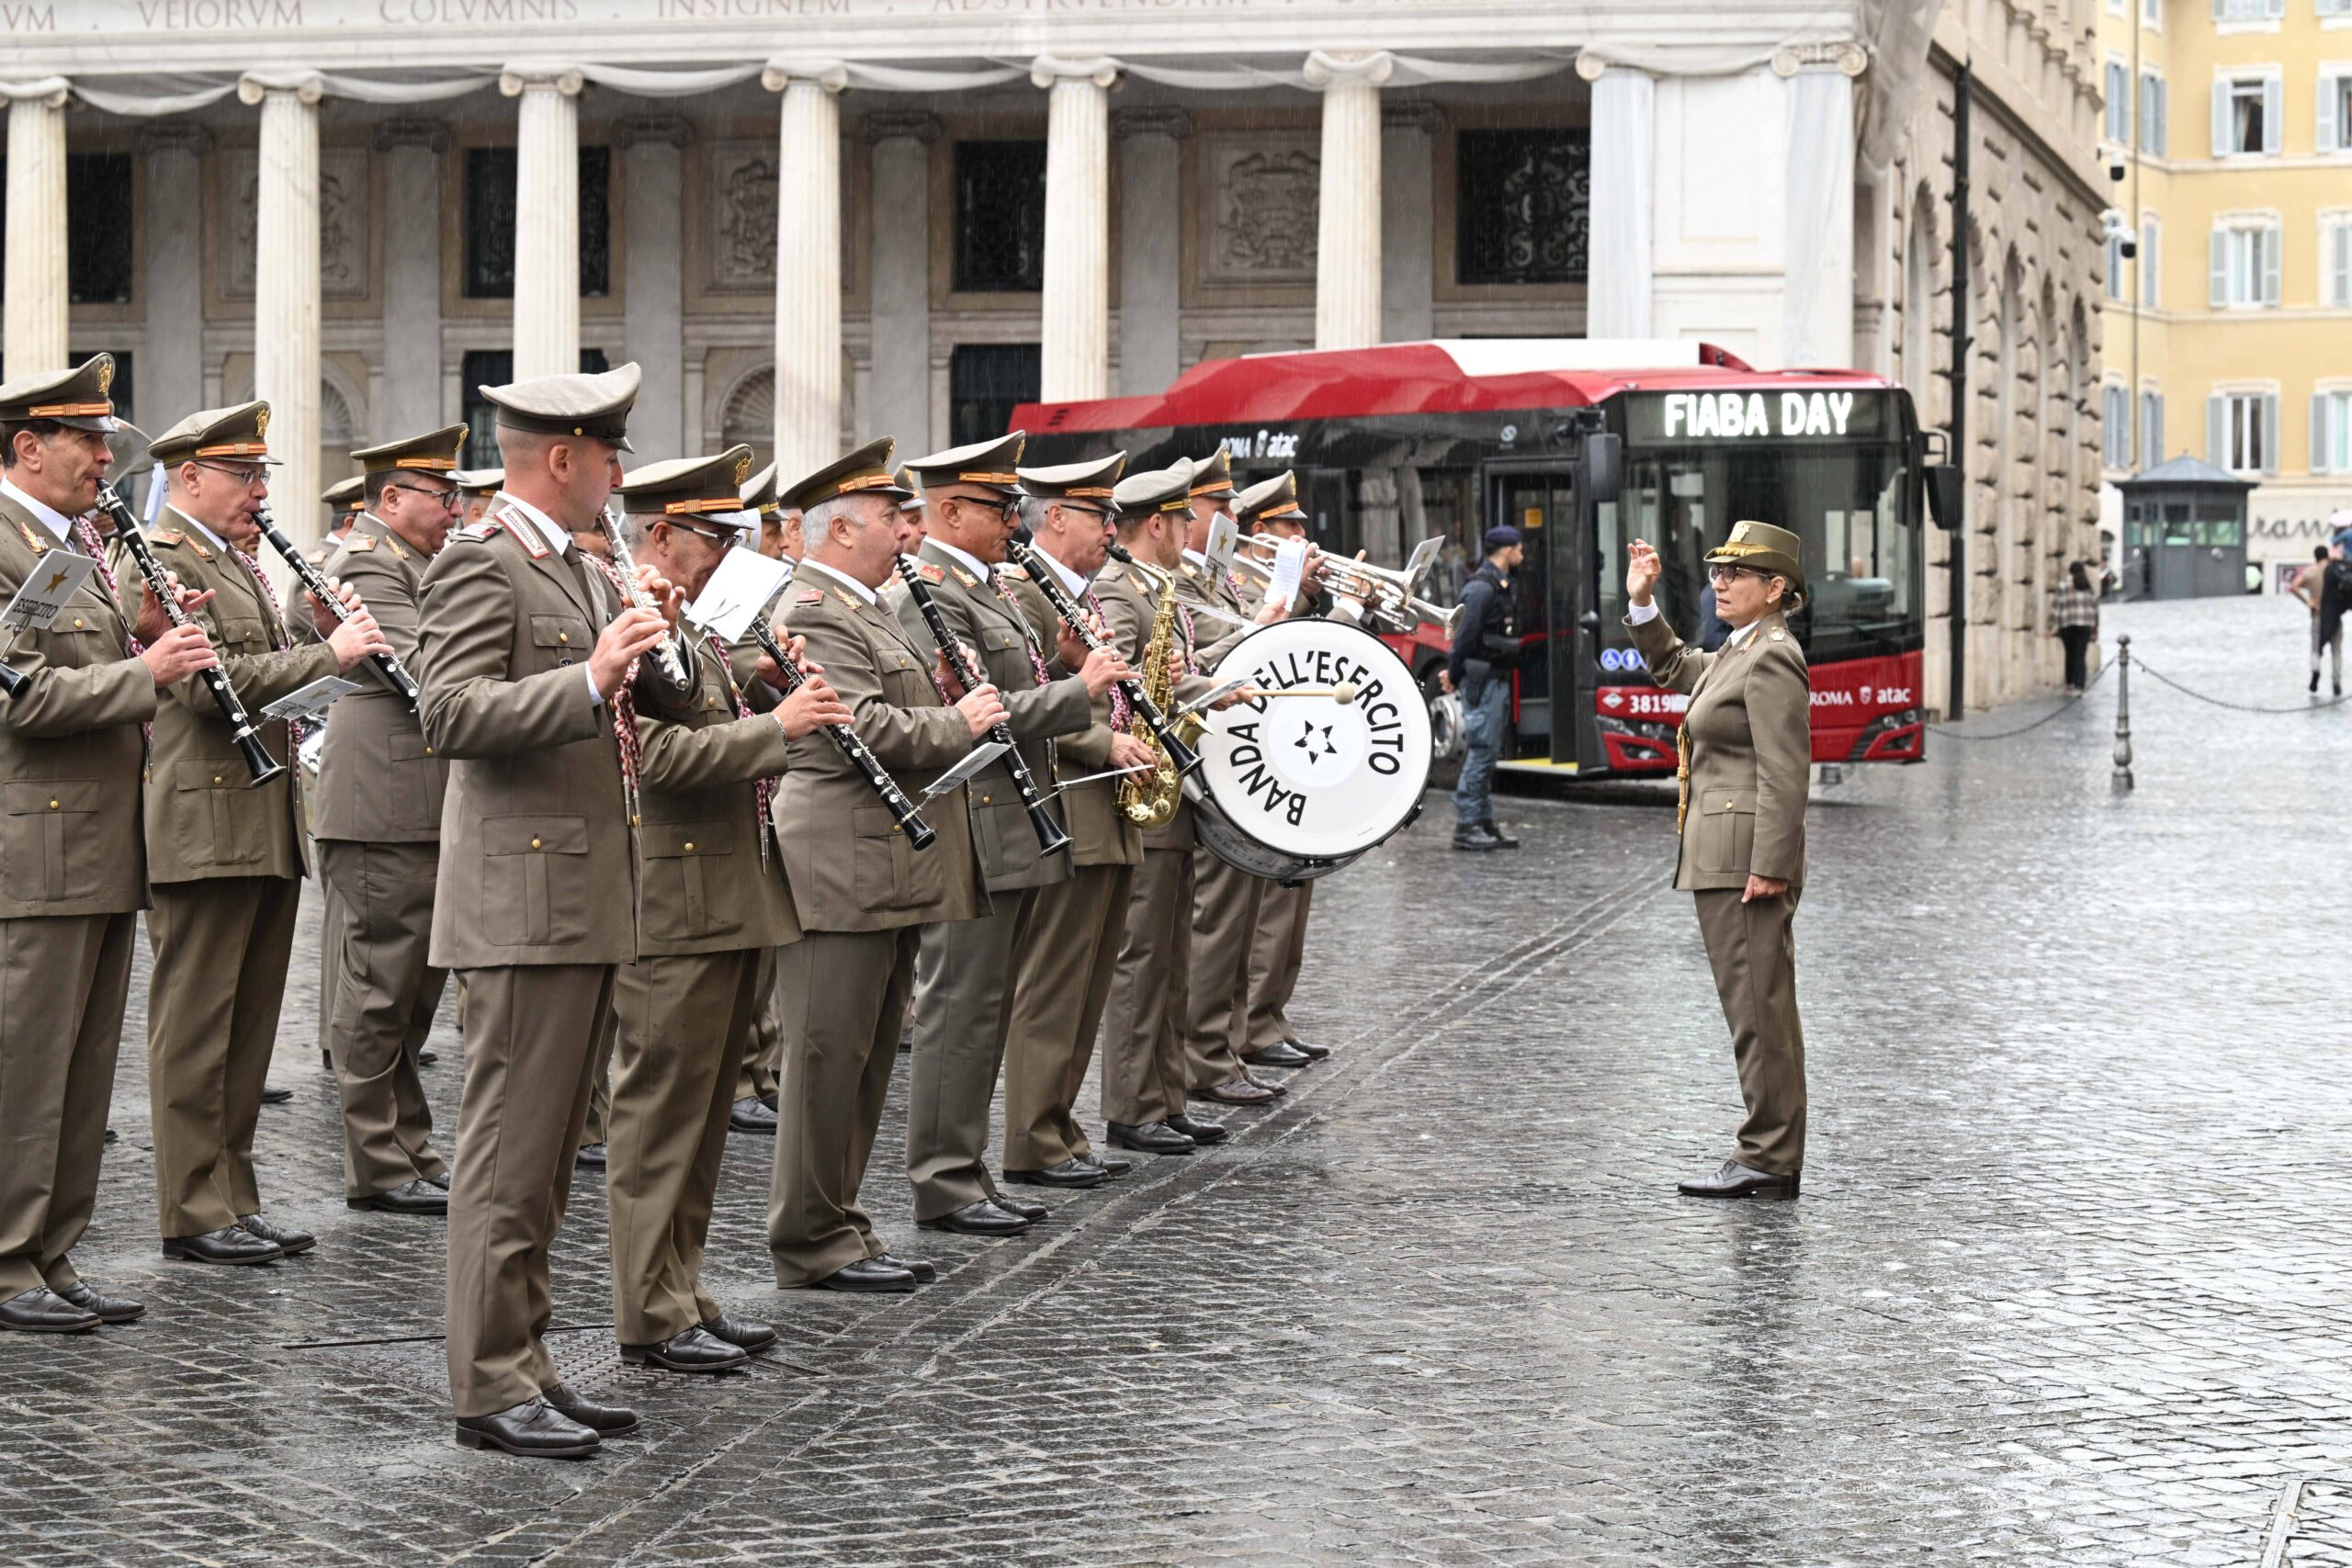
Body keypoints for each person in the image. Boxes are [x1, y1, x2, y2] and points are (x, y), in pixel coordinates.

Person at [417, 361, 684, 1460]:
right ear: (563, 458)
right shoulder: (482, 560)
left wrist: (655, 642)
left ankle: (526, 1360)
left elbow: (658, 698)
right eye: (610, 457)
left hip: (576, 893)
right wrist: (587, 677)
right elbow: (448, 712)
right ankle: (487, 1382)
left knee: (546, 1158)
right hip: (521, 898)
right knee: (505, 1154)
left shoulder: (574, 563)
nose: (620, 479)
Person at [597, 446, 854, 1374]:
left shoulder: (689, 621)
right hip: (669, 895)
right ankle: (648, 1306)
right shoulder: (628, 618)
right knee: (659, 1115)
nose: (725, 554)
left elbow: (704, 717)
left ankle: (683, 1289)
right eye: (713, 537)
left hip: (723, 889)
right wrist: (774, 730)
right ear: (663, 534)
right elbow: (652, 759)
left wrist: (763, 687)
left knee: (702, 1118)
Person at [138, 400, 390, 1267]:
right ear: (189, 477)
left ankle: (233, 1196)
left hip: (261, 814)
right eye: (243, 475)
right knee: (196, 1027)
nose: (259, 492)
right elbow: (206, 682)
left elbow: (263, 670)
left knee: (246, 1030)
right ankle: (190, 1207)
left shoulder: (236, 558)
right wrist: (334, 655)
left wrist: (319, 634)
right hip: (204, 820)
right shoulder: (163, 556)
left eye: (260, 475)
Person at [0, 355, 219, 1333]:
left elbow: (64, 665)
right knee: (27, 1067)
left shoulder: (67, 546)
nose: (104, 457)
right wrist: (150, 672)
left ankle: (51, 1249)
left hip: (95, 847)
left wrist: (141, 635)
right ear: (27, 446)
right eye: (87, 440)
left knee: (84, 1070)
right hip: (38, 852)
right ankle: (7, 1258)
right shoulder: (7, 544)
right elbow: (21, 695)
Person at [765, 438, 1002, 1294]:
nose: (905, 532)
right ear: (838, 529)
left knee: (863, 1064)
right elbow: (859, 724)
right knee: (826, 1062)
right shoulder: (816, 607)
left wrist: (946, 697)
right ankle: (808, 1236)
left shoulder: (863, 606)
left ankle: (841, 1222)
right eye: (886, 519)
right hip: (839, 862)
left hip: (881, 862)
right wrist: (960, 722)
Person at [893, 434, 1128, 1236]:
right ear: (952, 511)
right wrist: (1079, 689)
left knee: (985, 1011)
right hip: (973, 823)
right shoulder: (931, 590)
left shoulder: (985, 586)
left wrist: (1061, 670)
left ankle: (967, 1169)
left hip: (1012, 824)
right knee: (958, 1009)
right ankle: (943, 1178)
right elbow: (973, 716)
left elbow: (1008, 693)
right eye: (1000, 508)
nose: (1014, 522)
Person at [999, 453, 1193, 1171]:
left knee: (1086, 984)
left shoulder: (1074, 591)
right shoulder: (1027, 593)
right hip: (1069, 798)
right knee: (1055, 984)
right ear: (1056, 516)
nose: (1113, 529)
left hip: (1108, 801)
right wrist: (1102, 740)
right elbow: (1021, 701)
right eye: (1098, 516)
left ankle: (1059, 1131)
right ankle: (1032, 1138)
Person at [1624, 522, 1811, 1201]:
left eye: (1738, 574)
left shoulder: (1773, 656)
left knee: (1759, 1010)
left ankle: (1769, 1154)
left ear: (1776, 587)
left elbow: (1786, 771)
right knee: (1753, 1008)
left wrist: (1771, 865)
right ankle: (1770, 1150)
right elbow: (1677, 666)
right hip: (1725, 856)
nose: (1721, 584)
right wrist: (1643, 602)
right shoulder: (1742, 647)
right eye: (1718, 572)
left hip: (1744, 863)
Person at [311, 423, 468, 1217]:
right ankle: (375, 1160)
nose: (455, 511)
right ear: (394, 497)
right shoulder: (370, 561)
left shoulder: (413, 561)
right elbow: (425, 672)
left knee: (411, 994)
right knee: (378, 991)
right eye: (443, 496)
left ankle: (410, 1143)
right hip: (383, 804)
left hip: (414, 800)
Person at [1093, 464, 1254, 1156]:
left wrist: (1211, 685)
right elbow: (1120, 686)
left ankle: (1167, 1095)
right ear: (1156, 523)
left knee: (1173, 956)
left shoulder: (1156, 585)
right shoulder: (1118, 589)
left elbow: (1168, 674)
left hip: (1173, 792)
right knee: (1142, 957)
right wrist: (1197, 689)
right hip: (1143, 790)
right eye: (1184, 518)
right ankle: (1132, 1105)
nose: (1193, 529)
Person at [1232, 469, 1335, 1070]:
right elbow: (1263, 648)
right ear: (1258, 531)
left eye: (1300, 524)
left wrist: (1340, 602)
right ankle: (1252, 1022)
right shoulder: (1242, 581)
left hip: (1296, 749)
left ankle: (1271, 1013)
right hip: (1259, 750)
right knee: (1268, 903)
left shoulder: (1283, 582)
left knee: (1293, 898)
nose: (1301, 535)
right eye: (1288, 526)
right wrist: (1296, 590)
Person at [1447, 524, 1525, 852]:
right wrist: (1453, 673)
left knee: (1488, 753)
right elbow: (1463, 637)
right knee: (1481, 752)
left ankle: (1482, 820)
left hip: (1495, 678)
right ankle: (1467, 825)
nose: (1522, 554)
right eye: (1519, 548)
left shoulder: (1498, 584)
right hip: (1484, 680)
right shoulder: (1481, 589)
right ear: (1507, 550)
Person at [2297, 545, 2346, 697]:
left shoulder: (2310, 572)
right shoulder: (2335, 570)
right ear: (2327, 555)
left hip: (2318, 615)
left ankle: (2316, 670)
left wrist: (2308, 602)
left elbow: (2294, 586)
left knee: (2316, 648)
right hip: (2335, 615)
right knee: (2336, 651)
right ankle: (2336, 681)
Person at [2049, 559, 2100, 694]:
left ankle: (2070, 684)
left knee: (2070, 654)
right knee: (2081, 655)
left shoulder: (2062, 585)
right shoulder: (2088, 586)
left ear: (2070, 571)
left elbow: (2057, 608)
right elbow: (2094, 608)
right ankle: (2081, 686)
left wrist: (2050, 626)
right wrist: (2095, 625)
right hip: (2085, 624)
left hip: (2068, 624)